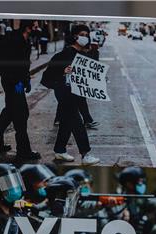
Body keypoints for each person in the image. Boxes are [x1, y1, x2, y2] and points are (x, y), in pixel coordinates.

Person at [41, 24, 100, 165]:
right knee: (77, 122)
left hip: (77, 94)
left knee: (66, 123)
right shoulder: (63, 55)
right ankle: (85, 155)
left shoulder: (84, 55)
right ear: (75, 36)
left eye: (87, 35)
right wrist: (63, 72)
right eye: (82, 35)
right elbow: (46, 78)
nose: (85, 38)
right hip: (65, 93)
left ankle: (60, 150)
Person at [0, 20, 41, 164]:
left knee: (9, 113)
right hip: (12, 82)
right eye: (35, 26)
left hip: (17, 81)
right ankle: (24, 151)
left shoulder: (24, 39)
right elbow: (11, 64)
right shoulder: (15, 40)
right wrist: (17, 81)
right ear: (28, 28)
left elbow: (24, 64)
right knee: (21, 114)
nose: (37, 28)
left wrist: (26, 79)